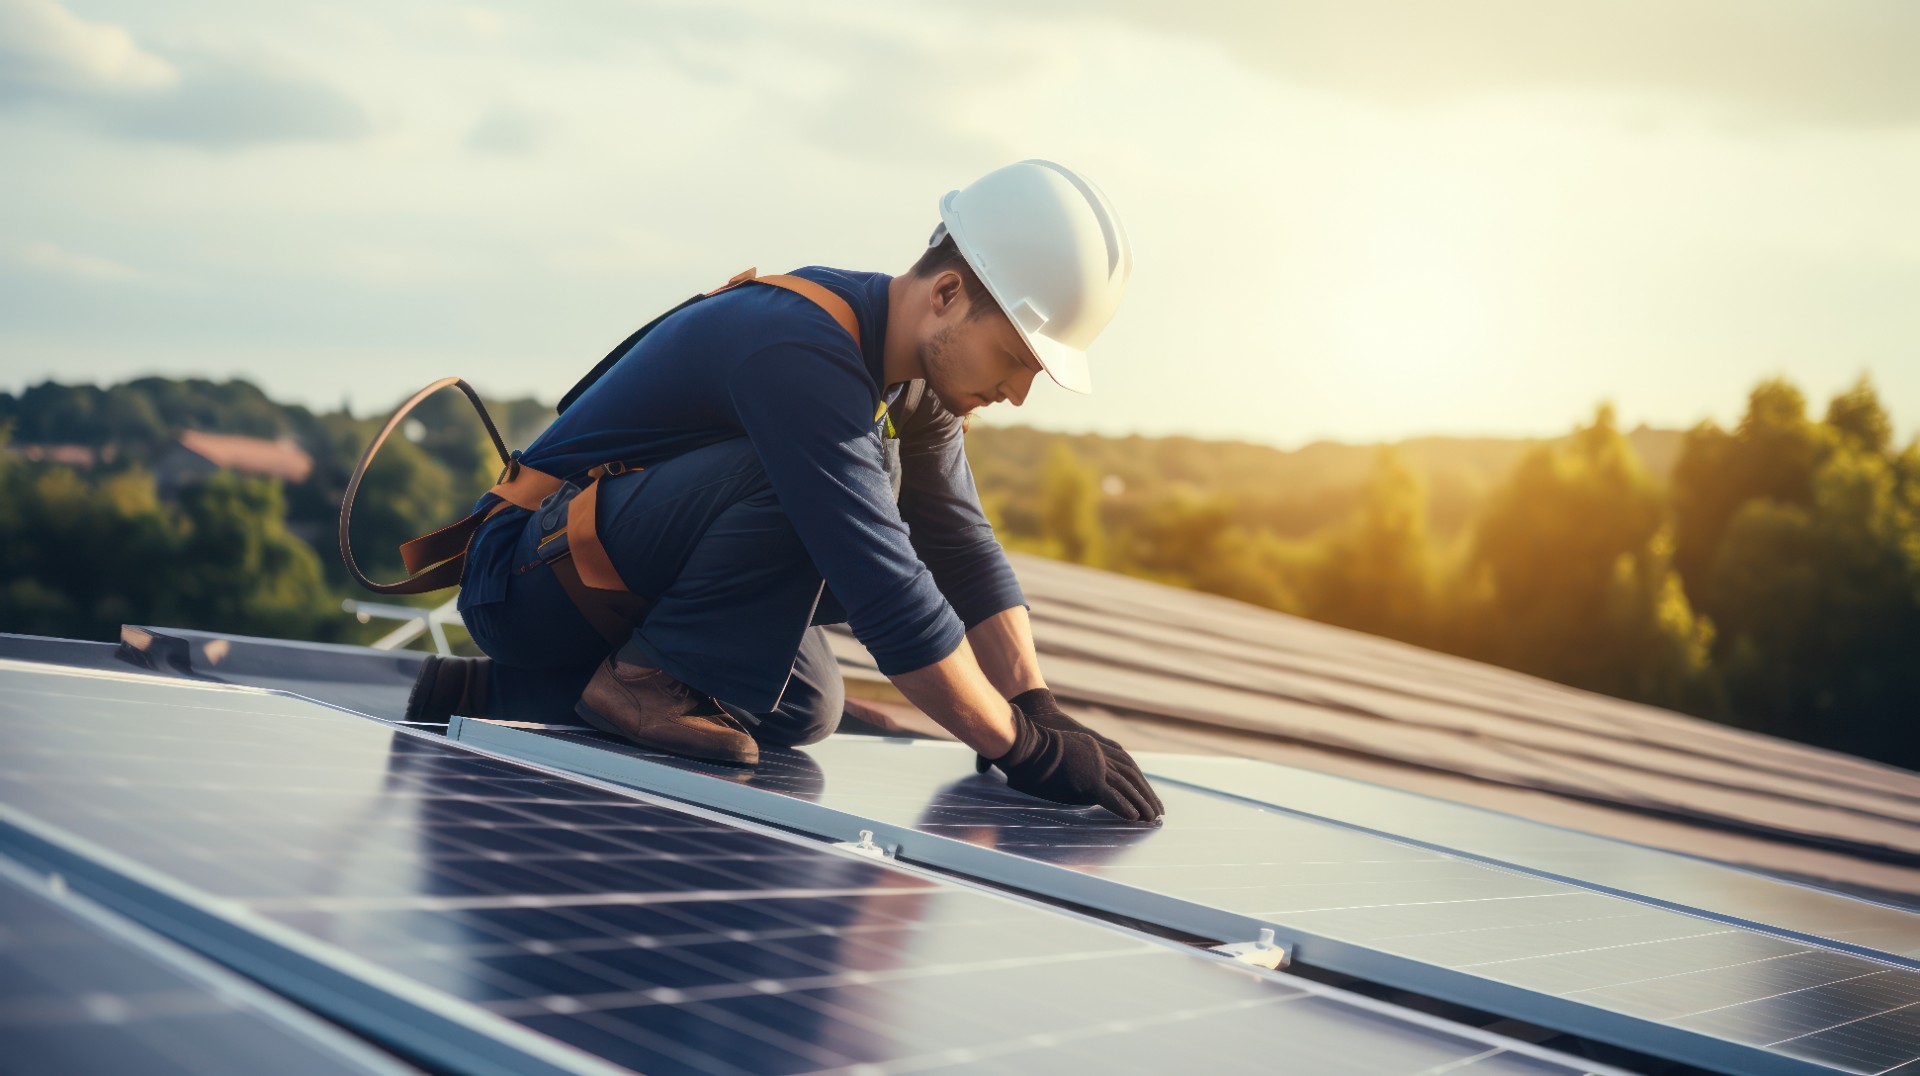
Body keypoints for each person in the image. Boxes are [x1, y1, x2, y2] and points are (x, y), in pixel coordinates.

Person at [406, 160, 1164, 822]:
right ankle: (639, 681)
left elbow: (962, 548)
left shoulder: (915, 382)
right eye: (1015, 356)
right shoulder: (801, 354)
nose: (1021, 393)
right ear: (947, 293)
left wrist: (1035, 702)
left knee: (806, 706)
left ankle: (503, 693)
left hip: (602, 576)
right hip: (522, 576)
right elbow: (890, 591)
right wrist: (1018, 747)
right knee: (850, 478)